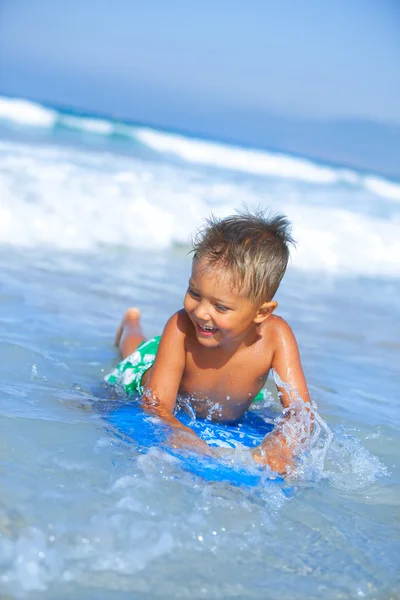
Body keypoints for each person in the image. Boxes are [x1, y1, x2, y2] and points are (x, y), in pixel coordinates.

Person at [105, 210, 311, 474]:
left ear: (261, 312)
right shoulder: (181, 327)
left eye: (221, 307)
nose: (201, 312)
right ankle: (131, 322)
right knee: (134, 351)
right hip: (148, 371)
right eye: (194, 292)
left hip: (216, 400)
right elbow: (154, 405)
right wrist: (183, 435)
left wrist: (281, 446)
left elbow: (300, 412)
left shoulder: (276, 336)